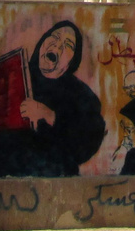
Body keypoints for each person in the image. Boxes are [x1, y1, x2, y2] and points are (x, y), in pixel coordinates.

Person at [19, 20, 106, 175]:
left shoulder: (82, 96)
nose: (58, 46)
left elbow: (87, 142)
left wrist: (50, 115)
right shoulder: (17, 76)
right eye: (55, 37)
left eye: (68, 45)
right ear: (43, 42)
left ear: (72, 62)